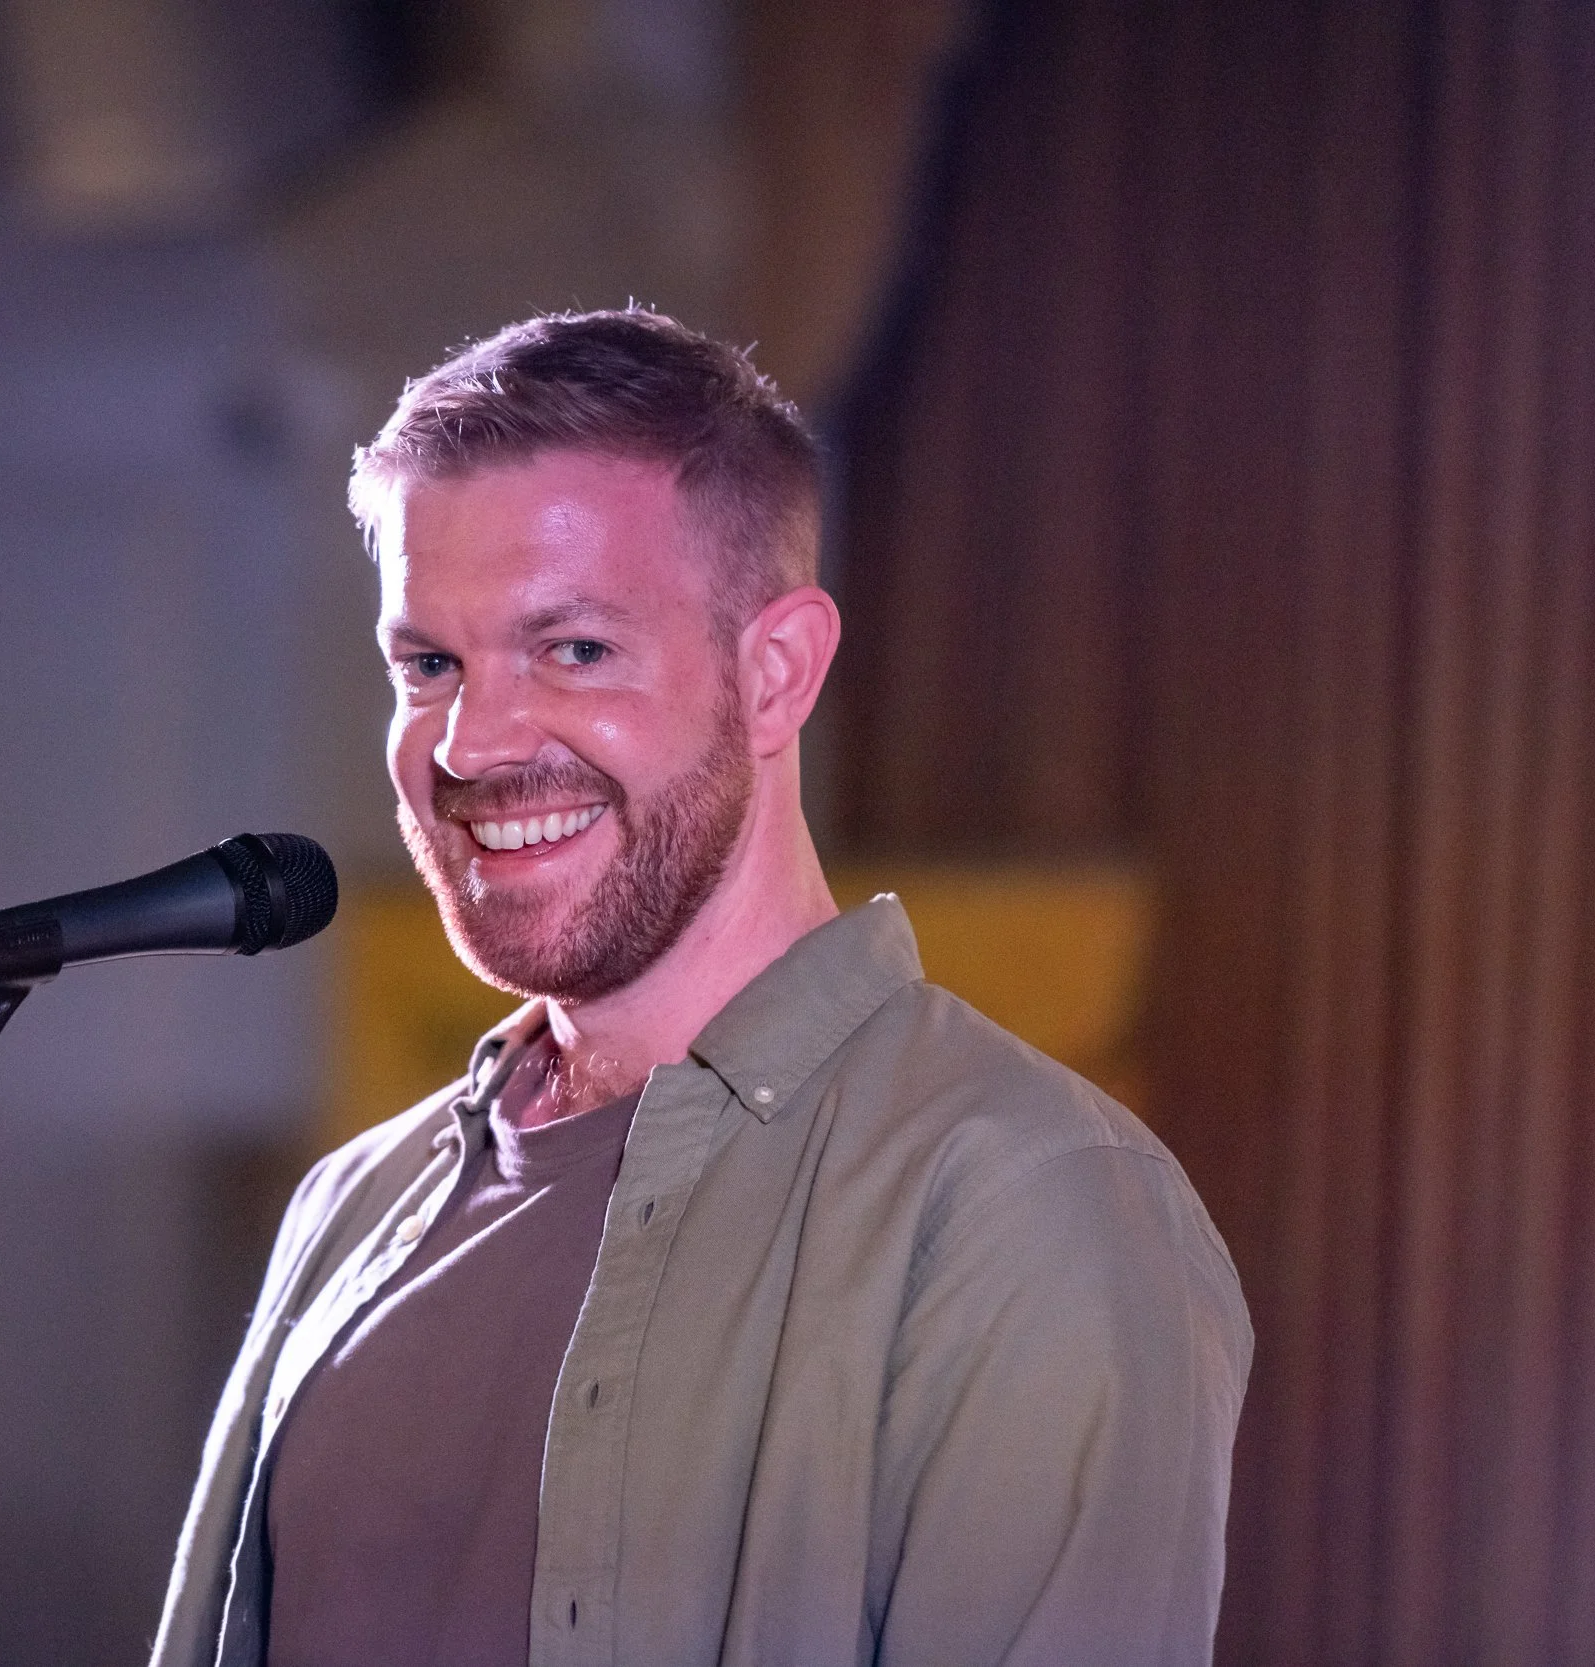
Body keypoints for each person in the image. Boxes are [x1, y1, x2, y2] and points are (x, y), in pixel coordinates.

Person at [150, 309, 1251, 1667]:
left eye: (575, 649)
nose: (471, 740)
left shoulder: (1028, 1205)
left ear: (775, 671)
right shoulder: (352, 1208)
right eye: (428, 663)